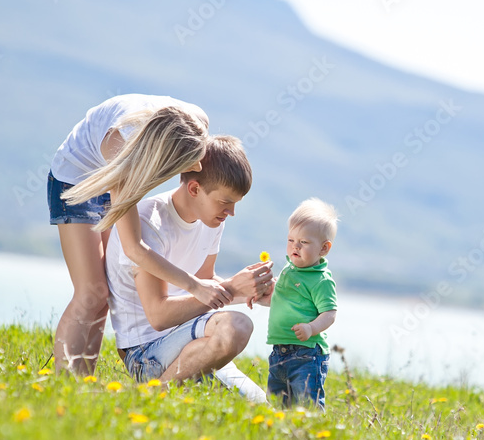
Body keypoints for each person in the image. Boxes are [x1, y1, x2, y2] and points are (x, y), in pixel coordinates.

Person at [48, 93, 233, 375]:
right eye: (189, 163)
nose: (197, 168)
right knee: (91, 291)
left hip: (118, 173)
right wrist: (194, 286)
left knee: (105, 292)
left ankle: (83, 381)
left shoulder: (197, 124)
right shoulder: (122, 150)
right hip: (76, 179)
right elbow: (134, 248)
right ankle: (63, 381)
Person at [104, 135, 272, 398]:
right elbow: (158, 316)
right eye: (225, 202)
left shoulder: (211, 220)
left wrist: (254, 292)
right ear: (194, 189)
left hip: (188, 338)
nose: (231, 212)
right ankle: (152, 396)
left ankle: (175, 385)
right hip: (146, 353)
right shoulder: (149, 222)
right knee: (237, 327)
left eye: (235, 204)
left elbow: (205, 286)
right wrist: (231, 287)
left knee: (260, 404)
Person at [257, 199, 338, 409]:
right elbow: (283, 301)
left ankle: (310, 426)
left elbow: (329, 313)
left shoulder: (320, 280)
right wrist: (262, 297)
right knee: (277, 402)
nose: (295, 246)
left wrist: (311, 328)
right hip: (279, 350)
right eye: (291, 240)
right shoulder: (289, 270)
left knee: (307, 402)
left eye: (304, 242)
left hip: (307, 354)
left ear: (324, 248)